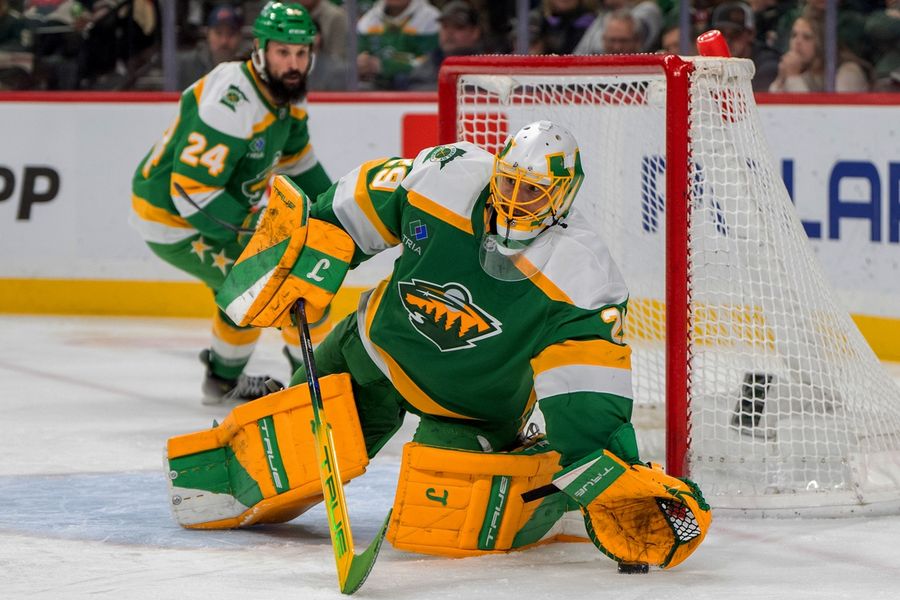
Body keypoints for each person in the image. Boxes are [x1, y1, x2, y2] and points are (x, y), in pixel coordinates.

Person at [202, 120, 711, 567]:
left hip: (472, 408)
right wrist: (308, 253)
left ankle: (549, 487)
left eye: (531, 192)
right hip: (374, 355)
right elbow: (357, 205)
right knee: (277, 464)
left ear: (563, 196)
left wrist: (595, 467)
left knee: (446, 525)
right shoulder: (446, 176)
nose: (513, 200)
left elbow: (585, 385)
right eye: (507, 183)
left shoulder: (583, 274)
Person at [130, 1, 333, 405]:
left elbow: (299, 161)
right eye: (282, 52)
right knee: (282, 283)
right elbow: (191, 193)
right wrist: (260, 236)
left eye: (300, 52)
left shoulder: (286, 91)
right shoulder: (233, 100)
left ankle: (222, 379)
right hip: (175, 218)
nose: (293, 63)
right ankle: (316, 386)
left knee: (245, 287)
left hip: (205, 210)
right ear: (259, 50)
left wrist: (335, 211)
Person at [769, 9, 869, 92]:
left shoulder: (848, 71)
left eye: (807, 37)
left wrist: (793, 78)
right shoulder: (798, 70)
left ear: (822, 42)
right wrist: (780, 79)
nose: (797, 42)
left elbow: (813, 113)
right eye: (794, 35)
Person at [356, 0, 440, 90]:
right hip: (375, 84)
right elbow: (359, 55)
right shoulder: (368, 20)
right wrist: (361, 64)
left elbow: (428, 65)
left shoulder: (432, 19)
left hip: (415, 85)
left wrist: (384, 66)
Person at [407, 0, 484, 91]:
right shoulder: (425, 68)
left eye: (459, 27)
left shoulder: (489, 67)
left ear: (475, 32)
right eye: (445, 26)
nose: (449, 33)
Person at [711, 1, 780, 92]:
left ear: (751, 34)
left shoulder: (767, 65)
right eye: (721, 34)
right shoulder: (710, 63)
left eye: (735, 34)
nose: (727, 40)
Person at [176, 4, 246, 90]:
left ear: (240, 37)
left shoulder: (249, 68)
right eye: (218, 33)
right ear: (208, 34)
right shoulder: (187, 65)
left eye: (231, 34)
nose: (224, 41)